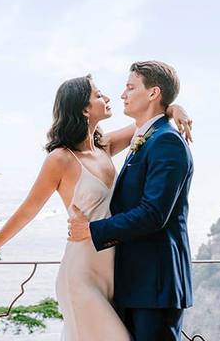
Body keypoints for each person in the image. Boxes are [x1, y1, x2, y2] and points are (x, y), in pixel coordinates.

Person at [0, 73, 192, 341]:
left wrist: (175, 108)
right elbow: (28, 210)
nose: (108, 98)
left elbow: (150, 122)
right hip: (82, 270)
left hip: (113, 271)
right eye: (98, 95)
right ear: (84, 109)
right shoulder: (60, 159)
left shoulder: (104, 147)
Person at [68, 61, 194, 341]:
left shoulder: (167, 142)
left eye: (130, 87)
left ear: (153, 93)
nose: (122, 94)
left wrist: (91, 231)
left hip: (155, 286)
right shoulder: (146, 136)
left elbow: (153, 214)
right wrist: (173, 108)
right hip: (135, 284)